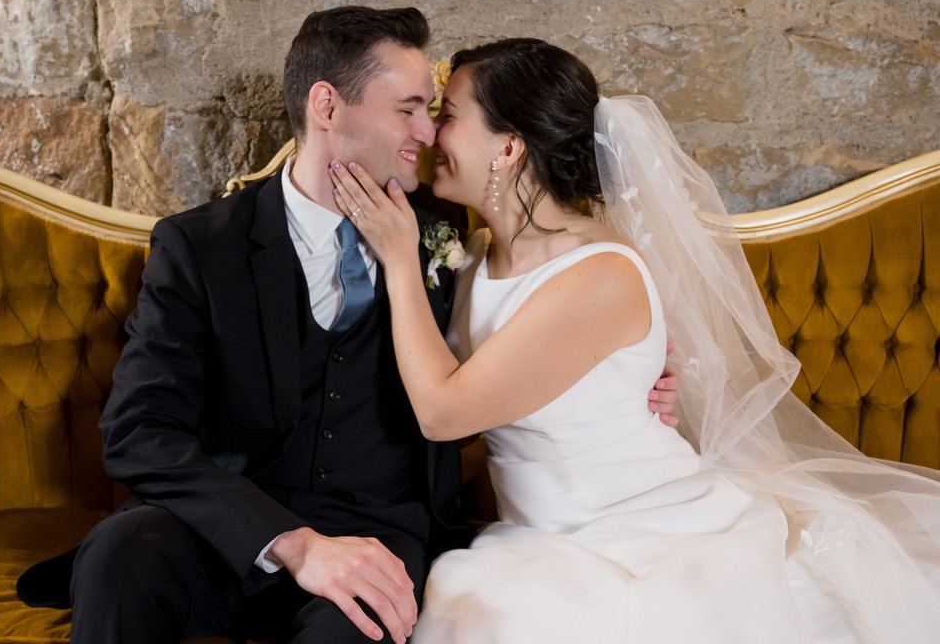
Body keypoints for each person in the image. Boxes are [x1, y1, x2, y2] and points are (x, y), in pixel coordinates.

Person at [15, 9, 680, 644]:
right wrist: (293, 543)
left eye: (437, 112)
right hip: (225, 534)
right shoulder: (201, 246)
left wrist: (633, 384)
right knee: (121, 552)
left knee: (363, 625)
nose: (427, 134)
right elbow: (138, 431)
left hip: (379, 538)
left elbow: (545, 335)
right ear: (327, 107)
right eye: (410, 110)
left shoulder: (448, 238)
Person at [329, 38, 940, 643]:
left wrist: (400, 261)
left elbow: (443, 413)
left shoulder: (601, 273)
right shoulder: (478, 253)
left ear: (509, 147)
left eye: (450, 116)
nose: (432, 135)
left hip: (636, 527)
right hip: (538, 530)